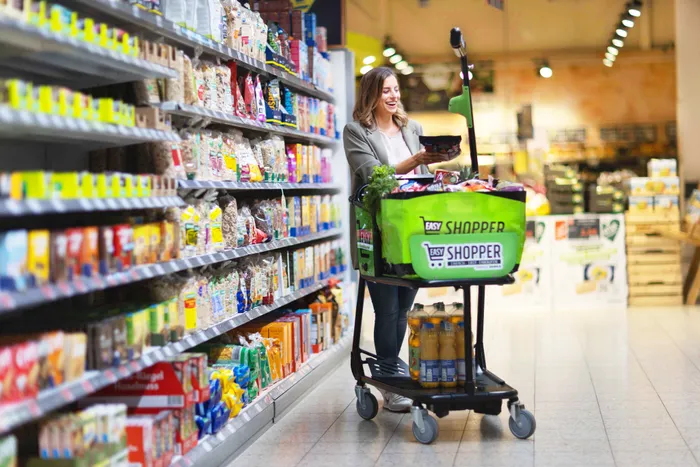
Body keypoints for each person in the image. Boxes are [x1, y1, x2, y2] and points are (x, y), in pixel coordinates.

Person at [343, 67, 445, 412]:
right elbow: (375, 174)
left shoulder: (412, 128)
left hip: (412, 227)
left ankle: (391, 373)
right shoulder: (356, 131)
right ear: (371, 94)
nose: (393, 96)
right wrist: (417, 159)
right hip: (378, 229)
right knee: (386, 308)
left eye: (396, 89)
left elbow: (422, 176)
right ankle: (389, 381)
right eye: (386, 90)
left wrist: (437, 171)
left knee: (403, 307)